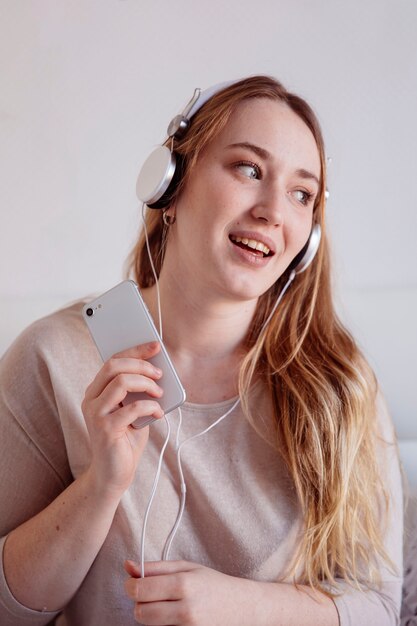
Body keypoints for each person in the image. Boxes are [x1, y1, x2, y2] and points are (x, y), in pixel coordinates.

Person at [0, 75, 403, 626]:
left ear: (307, 239)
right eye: (249, 169)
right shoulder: (53, 358)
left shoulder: (339, 384)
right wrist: (101, 487)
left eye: (301, 193)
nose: (273, 211)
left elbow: (380, 608)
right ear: (170, 184)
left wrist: (242, 608)